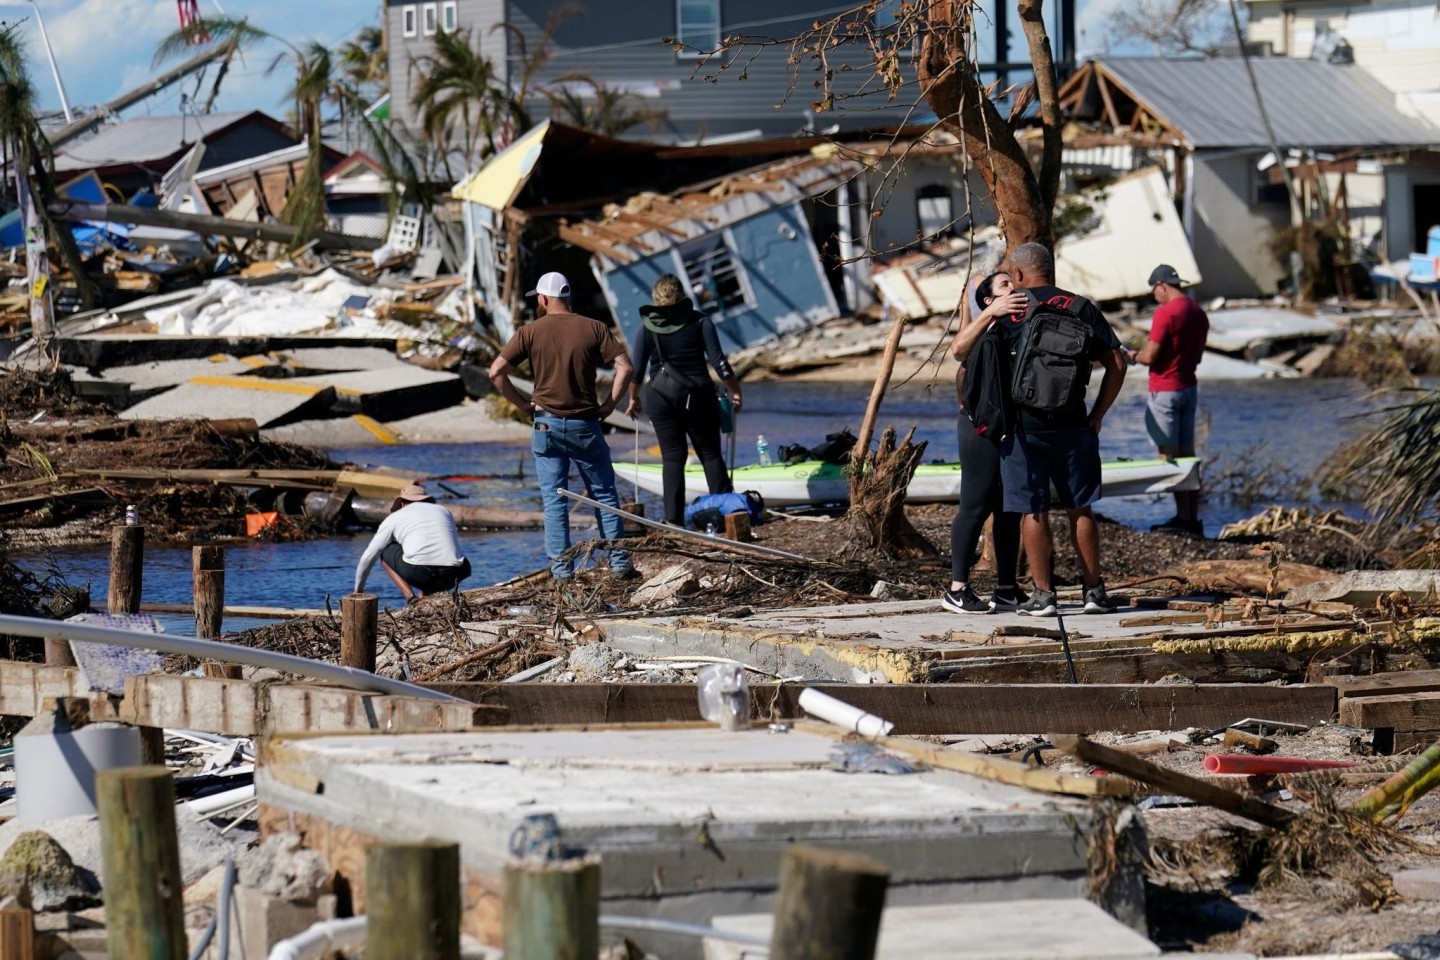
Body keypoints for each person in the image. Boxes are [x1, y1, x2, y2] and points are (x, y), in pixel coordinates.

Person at [998, 242, 1128, 617]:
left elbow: (977, 364)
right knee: (1080, 508)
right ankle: (1093, 592)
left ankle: (1044, 596)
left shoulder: (1013, 309)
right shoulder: (1080, 307)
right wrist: (1098, 414)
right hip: (1075, 424)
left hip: (1024, 428)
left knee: (1033, 511)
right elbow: (1116, 364)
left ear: (1019, 275)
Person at [488, 270, 637, 581]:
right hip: (586, 423)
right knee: (604, 495)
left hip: (546, 426)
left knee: (554, 499)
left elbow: (496, 373)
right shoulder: (595, 328)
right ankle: (620, 564)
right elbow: (625, 368)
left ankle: (562, 571)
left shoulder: (529, 332)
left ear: (543, 299)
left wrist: (523, 404)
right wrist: (609, 405)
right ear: (567, 298)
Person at [941, 269, 1030, 614]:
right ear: (989, 301)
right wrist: (984, 311)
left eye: (1014, 282)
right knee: (975, 505)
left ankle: (1007, 587)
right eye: (1005, 285)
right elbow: (958, 348)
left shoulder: (1015, 325)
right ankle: (957, 588)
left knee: (1008, 510)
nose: (1013, 289)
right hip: (978, 428)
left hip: (1009, 428)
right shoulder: (988, 326)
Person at [624, 274, 744, 527]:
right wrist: (735, 390)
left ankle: (674, 521)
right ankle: (725, 515)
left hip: (659, 396)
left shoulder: (647, 328)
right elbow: (719, 363)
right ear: (681, 295)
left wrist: (633, 398)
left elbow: (637, 372)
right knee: (710, 454)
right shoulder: (700, 321)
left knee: (672, 457)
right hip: (698, 395)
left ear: (656, 299)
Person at [1131, 264, 1208, 537]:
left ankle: (1182, 520)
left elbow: (1150, 356)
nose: (1155, 296)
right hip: (1189, 388)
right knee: (1188, 453)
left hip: (1165, 390)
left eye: (1155, 291)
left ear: (1162, 285)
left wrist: (1133, 355)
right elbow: (1197, 356)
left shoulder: (1166, 312)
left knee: (1170, 456)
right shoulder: (1198, 313)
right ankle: (1192, 518)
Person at [354, 484, 471, 603]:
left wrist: (358, 590)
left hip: (422, 574)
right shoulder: (444, 511)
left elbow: (368, 556)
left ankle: (410, 598)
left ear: (402, 503)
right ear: (428, 500)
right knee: (442, 555)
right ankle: (427, 594)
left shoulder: (395, 517)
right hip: (456, 573)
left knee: (385, 549)